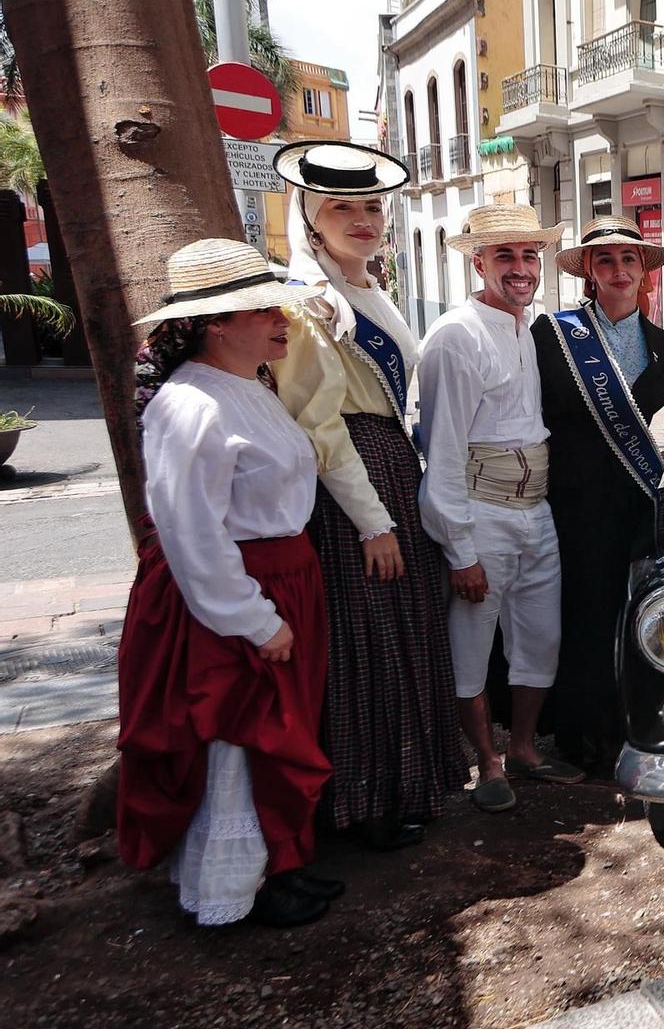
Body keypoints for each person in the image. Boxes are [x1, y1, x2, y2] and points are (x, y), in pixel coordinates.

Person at [117, 239, 340, 927]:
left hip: (284, 577)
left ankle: (283, 863)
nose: (281, 318)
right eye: (262, 309)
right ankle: (240, 885)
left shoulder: (249, 387)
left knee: (283, 725)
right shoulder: (190, 404)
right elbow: (190, 529)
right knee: (245, 732)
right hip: (238, 591)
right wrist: (252, 618)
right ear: (217, 323)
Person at [268, 142, 465, 850]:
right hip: (354, 483)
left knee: (407, 628)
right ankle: (368, 801)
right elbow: (319, 426)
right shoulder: (306, 303)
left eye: (373, 207)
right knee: (371, 640)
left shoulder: (365, 291)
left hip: (392, 463)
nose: (363, 220)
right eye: (341, 208)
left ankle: (413, 784)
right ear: (311, 220)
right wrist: (373, 522)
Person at [537, 213, 664, 773]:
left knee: (632, 612)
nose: (618, 269)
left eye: (629, 259)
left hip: (636, 503)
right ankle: (578, 731)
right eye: (605, 260)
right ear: (589, 273)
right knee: (580, 612)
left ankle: (634, 722)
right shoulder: (554, 337)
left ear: (645, 272)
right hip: (571, 503)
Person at [418, 202, 582, 812]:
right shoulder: (456, 336)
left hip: (535, 511)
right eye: (505, 255)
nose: (521, 268)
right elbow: (442, 448)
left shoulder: (525, 326)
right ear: (478, 262)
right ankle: (487, 763)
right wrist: (460, 549)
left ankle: (523, 750)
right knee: (471, 643)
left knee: (541, 637)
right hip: (481, 511)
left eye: (529, 255)